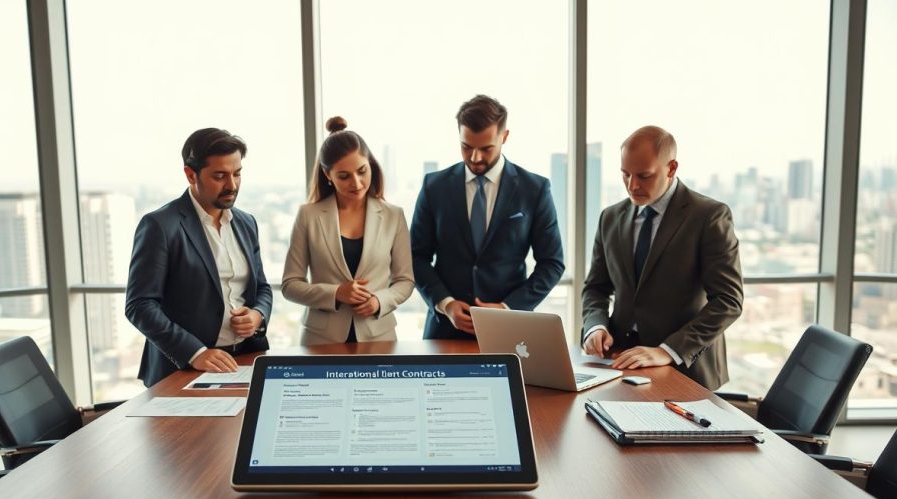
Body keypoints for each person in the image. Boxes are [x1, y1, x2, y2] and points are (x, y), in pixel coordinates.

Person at [581, 125, 743, 390]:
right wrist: (594, 326)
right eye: (625, 175)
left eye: (644, 176)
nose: (632, 186)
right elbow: (596, 287)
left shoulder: (709, 216)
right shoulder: (610, 217)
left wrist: (667, 350)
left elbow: (728, 301)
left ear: (671, 168)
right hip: (618, 363)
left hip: (686, 369)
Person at [125, 128, 273, 387]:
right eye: (220, 176)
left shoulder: (246, 223)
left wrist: (258, 315)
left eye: (237, 173)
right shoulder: (160, 226)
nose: (232, 185)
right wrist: (196, 353)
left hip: (246, 360)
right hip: (182, 369)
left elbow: (261, 287)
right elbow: (140, 305)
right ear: (190, 174)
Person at [410, 94, 564, 339]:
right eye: (466, 147)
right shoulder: (434, 186)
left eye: (486, 148)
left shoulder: (534, 189)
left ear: (504, 137)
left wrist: (509, 308)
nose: (475, 157)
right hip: (444, 331)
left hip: (509, 332)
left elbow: (552, 263)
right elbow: (415, 257)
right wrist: (445, 303)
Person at [282, 117, 415, 345]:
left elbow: (405, 281)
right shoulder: (308, 216)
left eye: (362, 171)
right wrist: (335, 293)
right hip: (321, 339)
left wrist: (379, 301)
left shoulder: (394, 215)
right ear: (328, 176)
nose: (356, 183)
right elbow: (290, 285)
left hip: (379, 338)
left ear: (370, 165)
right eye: (344, 176)